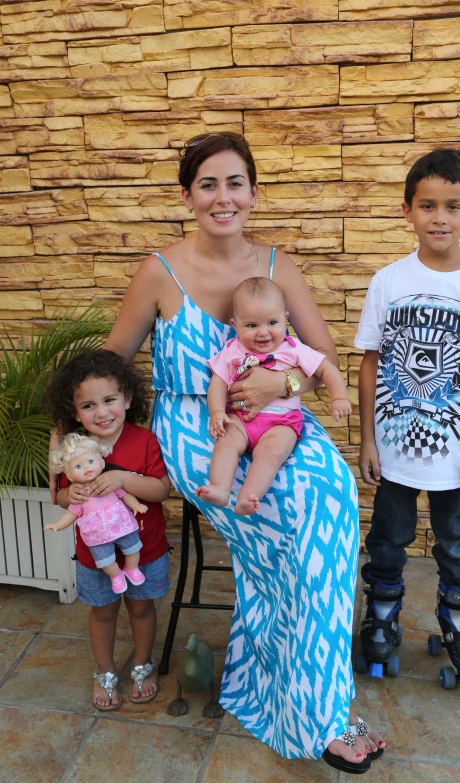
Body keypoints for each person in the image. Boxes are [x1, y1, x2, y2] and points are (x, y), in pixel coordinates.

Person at [84, 131, 385, 771]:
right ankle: (313, 705)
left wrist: (291, 382)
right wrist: (78, 423)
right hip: (196, 427)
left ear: (253, 191)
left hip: (280, 417)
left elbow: (323, 357)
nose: (224, 198)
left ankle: (301, 692)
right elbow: (111, 359)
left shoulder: (279, 266)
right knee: (285, 519)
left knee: (329, 501)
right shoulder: (159, 271)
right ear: (189, 195)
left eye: (235, 183)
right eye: (208, 184)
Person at [355, 148, 460, 687]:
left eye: (453, 205)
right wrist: (368, 442)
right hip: (397, 448)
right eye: (428, 205)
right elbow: (372, 363)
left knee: (457, 544)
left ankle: (458, 619)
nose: (440, 218)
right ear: (408, 210)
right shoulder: (387, 280)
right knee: (387, 539)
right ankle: (381, 616)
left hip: (458, 455)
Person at [46, 350, 172, 711]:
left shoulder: (144, 441)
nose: (101, 413)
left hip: (143, 550)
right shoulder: (73, 447)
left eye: (109, 400)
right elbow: (60, 498)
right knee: (102, 611)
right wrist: (73, 492)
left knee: (142, 607)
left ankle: (143, 664)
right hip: (95, 556)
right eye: (88, 405)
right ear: (74, 412)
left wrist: (122, 479)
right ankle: (104, 671)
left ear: (127, 399)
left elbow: (161, 489)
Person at [196, 276, 351, 515]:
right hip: (240, 419)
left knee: (270, 455)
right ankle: (220, 487)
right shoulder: (232, 350)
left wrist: (339, 397)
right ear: (235, 325)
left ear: (285, 319)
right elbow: (217, 382)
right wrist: (217, 413)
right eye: (251, 325)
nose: (263, 333)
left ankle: (249, 497)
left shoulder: (294, 349)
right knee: (226, 441)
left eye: (272, 322)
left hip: (281, 422)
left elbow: (326, 368)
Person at [45, 432, 148, 594]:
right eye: (78, 466)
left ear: (101, 462)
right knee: (105, 561)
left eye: (91, 461)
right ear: (69, 475)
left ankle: (131, 568)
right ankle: (116, 576)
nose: (86, 467)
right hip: (97, 536)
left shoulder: (108, 481)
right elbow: (72, 513)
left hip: (122, 525)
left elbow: (124, 494)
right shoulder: (79, 493)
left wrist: (135, 505)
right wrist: (58, 524)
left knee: (133, 548)